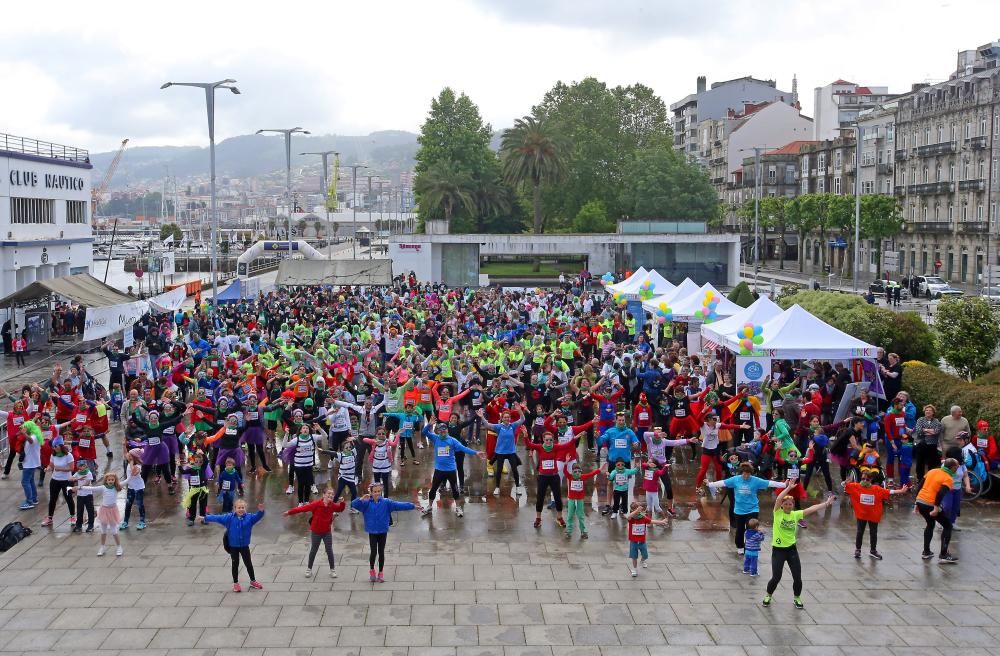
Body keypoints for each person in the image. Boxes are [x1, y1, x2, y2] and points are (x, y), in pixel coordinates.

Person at [762, 482, 835, 610]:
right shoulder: (777, 513)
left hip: (791, 550)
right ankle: (768, 595)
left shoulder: (795, 515)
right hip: (778, 551)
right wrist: (789, 488)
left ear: (793, 506)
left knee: (797, 577)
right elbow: (779, 498)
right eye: (786, 504)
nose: (788, 506)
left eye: (790, 504)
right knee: (776, 577)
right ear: (782, 506)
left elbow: (811, 509)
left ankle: (797, 598)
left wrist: (825, 504)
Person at [708, 462, 786, 553]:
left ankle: (750, 546)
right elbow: (723, 483)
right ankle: (740, 547)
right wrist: (710, 484)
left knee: (751, 529)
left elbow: (769, 483)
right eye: (744, 474)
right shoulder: (735, 479)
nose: (746, 476)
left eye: (748, 474)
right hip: (739, 510)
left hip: (752, 509)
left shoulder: (755, 480)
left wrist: (784, 485)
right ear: (741, 472)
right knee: (740, 530)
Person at [351, 483, 419, 582]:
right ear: (371, 492)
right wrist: (362, 498)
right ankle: (372, 571)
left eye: (379, 491)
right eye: (375, 491)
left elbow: (399, 505)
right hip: (372, 531)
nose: (377, 493)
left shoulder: (386, 502)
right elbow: (354, 504)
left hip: (383, 531)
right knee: (373, 552)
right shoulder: (366, 503)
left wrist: (413, 506)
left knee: (381, 552)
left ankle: (381, 573)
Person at [202, 499, 266, 592]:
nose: (241, 509)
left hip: (244, 546)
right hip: (233, 546)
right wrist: (205, 518)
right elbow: (217, 518)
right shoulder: (229, 518)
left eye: (243, 507)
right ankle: (236, 583)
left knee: (248, 564)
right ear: (235, 509)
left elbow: (257, 516)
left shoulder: (249, 518)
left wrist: (261, 511)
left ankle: (253, 581)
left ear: (245, 508)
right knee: (235, 564)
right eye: (239, 508)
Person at [843, 472, 909, 560]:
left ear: (871, 480)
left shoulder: (877, 489)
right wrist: (845, 482)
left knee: (873, 533)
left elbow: (889, 491)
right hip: (861, 515)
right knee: (860, 532)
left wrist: (901, 491)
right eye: (863, 479)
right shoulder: (856, 486)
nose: (865, 481)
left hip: (873, 515)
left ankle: (873, 551)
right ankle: (858, 550)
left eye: (867, 479)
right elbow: (845, 485)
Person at [284, 486, 346, 578]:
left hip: (326, 532)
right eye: (328, 493)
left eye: (332, 494)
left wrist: (342, 503)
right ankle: (309, 569)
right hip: (316, 532)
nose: (330, 495)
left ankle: (332, 570)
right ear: (324, 494)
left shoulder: (332, 505)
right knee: (313, 550)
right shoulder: (316, 504)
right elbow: (302, 509)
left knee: (329, 550)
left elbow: (340, 509)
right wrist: (289, 512)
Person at [914, 458, 959, 563]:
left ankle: (926, 552)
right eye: (957, 466)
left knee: (930, 524)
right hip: (930, 504)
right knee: (948, 526)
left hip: (921, 501)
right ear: (952, 467)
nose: (958, 467)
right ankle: (943, 554)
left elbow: (920, 486)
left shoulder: (933, 471)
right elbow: (940, 494)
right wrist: (936, 508)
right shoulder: (948, 478)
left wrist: (916, 502)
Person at [74, 471, 125, 556]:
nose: (111, 481)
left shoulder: (117, 487)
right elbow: (91, 488)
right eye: (109, 480)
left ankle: (119, 547)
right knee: (103, 531)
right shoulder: (103, 487)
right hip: (104, 510)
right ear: (106, 480)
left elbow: (127, 481)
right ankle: (102, 547)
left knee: (114, 531)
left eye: (112, 479)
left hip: (113, 511)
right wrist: (79, 487)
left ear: (115, 480)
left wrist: (133, 475)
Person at [625, 501, 668, 577]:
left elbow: (651, 521)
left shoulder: (643, 518)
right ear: (632, 510)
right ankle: (634, 569)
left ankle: (643, 560)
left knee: (645, 555)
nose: (638, 512)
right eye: (636, 510)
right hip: (633, 542)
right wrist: (636, 511)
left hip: (642, 541)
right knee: (634, 557)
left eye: (639, 510)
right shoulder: (631, 519)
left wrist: (661, 522)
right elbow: (628, 517)